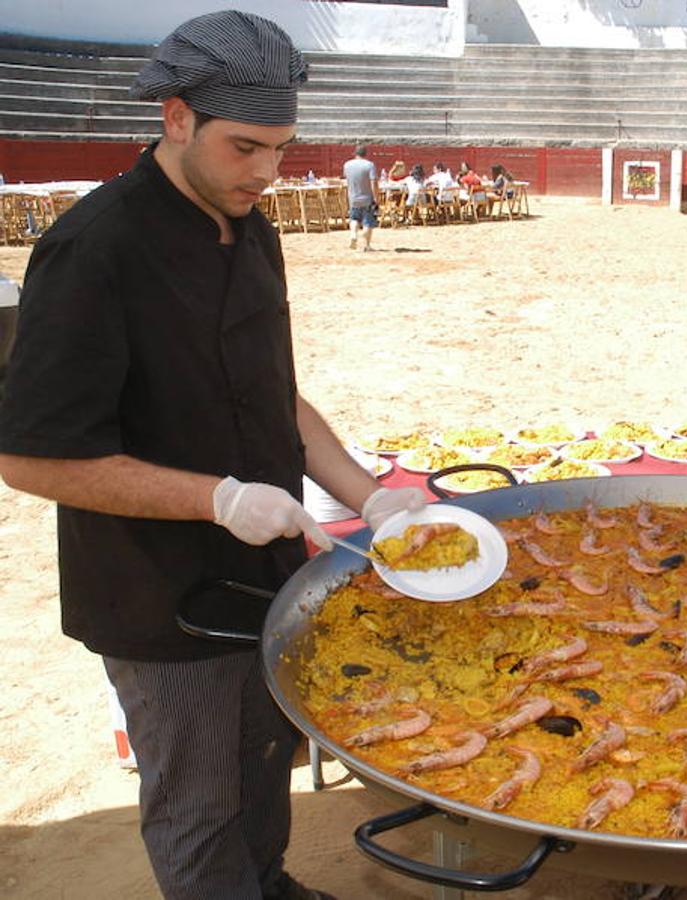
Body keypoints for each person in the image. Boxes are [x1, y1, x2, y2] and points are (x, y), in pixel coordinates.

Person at [0, 11, 426, 900]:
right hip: (160, 593)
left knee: (264, 762)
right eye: (245, 147)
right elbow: (32, 458)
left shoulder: (255, 228)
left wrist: (368, 494)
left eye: (282, 148)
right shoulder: (93, 249)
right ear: (177, 118)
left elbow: (276, 392)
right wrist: (218, 499)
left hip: (269, 572)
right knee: (198, 804)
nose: (267, 172)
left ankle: (270, 885)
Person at [342, 143, 378, 251]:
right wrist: (376, 197)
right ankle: (367, 244)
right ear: (366, 154)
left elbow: (347, 179)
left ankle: (353, 234)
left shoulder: (347, 165)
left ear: (355, 153)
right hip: (367, 198)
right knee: (368, 222)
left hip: (353, 197)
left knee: (354, 218)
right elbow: (373, 182)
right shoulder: (369, 165)